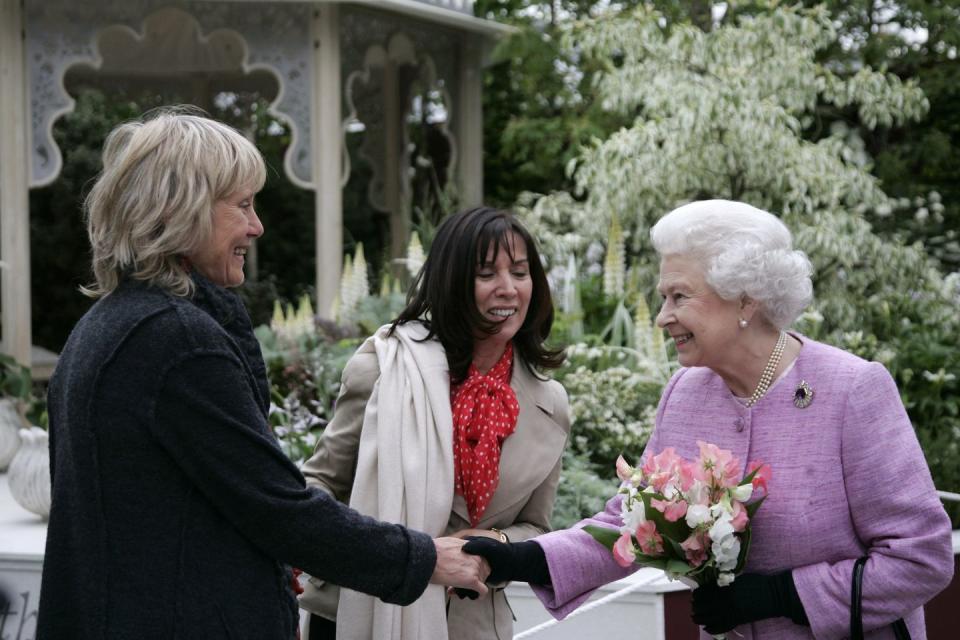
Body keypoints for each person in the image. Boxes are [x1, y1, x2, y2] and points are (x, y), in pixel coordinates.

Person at [38, 109, 489, 640]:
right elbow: (276, 508)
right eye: (243, 205)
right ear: (185, 208)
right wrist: (426, 558)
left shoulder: (104, 325)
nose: (257, 226)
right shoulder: (175, 341)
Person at [463, 200, 955, 639]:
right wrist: (524, 558)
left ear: (745, 299)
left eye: (679, 297)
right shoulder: (686, 392)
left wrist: (784, 596)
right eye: (663, 298)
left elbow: (920, 558)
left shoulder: (852, 389)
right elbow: (636, 522)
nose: (661, 317)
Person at [297, 206, 570, 640]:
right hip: (364, 610)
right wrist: (387, 555)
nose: (508, 290)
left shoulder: (549, 404)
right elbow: (319, 486)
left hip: (471, 622)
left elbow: (536, 527)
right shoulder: (385, 370)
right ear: (453, 283)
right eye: (486, 274)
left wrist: (492, 547)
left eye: (520, 273)